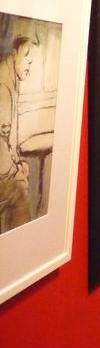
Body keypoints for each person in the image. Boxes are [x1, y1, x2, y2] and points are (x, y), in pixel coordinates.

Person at [0, 31, 35, 232]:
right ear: (14, 55)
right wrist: (16, 171)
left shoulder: (10, 78)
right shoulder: (3, 85)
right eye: (27, 55)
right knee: (20, 191)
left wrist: (18, 161)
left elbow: (7, 137)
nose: (30, 63)